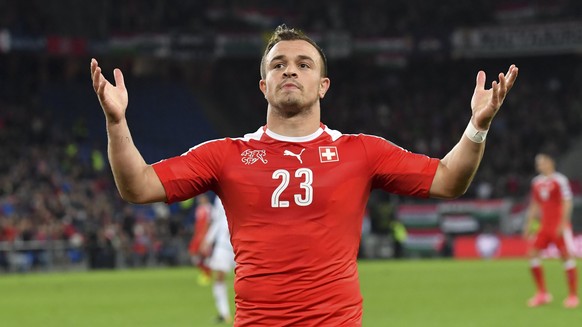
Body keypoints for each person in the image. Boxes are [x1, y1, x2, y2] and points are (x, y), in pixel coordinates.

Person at [91, 24, 518, 326]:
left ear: (323, 85)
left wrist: (476, 127)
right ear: (263, 85)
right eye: (277, 64)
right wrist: (116, 122)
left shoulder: (362, 151)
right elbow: (138, 186)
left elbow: (448, 179)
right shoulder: (224, 155)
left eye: (303, 64)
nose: (289, 70)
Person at [522, 152, 579, 308]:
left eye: (541, 162)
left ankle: (573, 296)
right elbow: (535, 205)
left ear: (550, 162)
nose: (539, 165)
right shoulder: (536, 182)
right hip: (544, 227)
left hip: (558, 226)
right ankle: (542, 294)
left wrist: (563, 224)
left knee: (566, 257)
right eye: (537, 163)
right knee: (532, 254)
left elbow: (567, 202)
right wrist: (528, 224)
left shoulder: (560, 180)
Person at [199, 196, 236, 324]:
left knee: (247, 278)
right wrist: (208, 240)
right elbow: (217, 220)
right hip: (223, 244)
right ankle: (224, 313)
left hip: (242, 243)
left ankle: (247, 311)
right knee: (219, 276)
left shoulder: (246, 189)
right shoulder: (219, 198)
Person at [187, 193, 213, 286]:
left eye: (201, 198)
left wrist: (206, 236)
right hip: (198, 235)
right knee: (193, 254)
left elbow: (209, 223)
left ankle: (207, 274)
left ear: (205, 198)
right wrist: (196, 234)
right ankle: (205, 271)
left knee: (204, 254)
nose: (200, 199)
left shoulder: (209, 208)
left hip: (205, 235)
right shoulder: (199, 209)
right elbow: (197, 223)